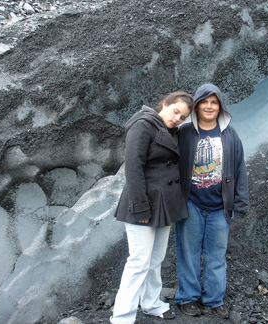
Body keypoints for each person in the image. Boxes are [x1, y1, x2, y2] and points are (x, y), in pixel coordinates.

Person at [110, 91, 194, 324]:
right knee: (138, 262)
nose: (178, 118)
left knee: (156, 259)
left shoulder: (171, 130)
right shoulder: (142, 124)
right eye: (176, 111)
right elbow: (133, 168)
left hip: (165, 204)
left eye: (183, 116)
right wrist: (140, 207)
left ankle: (151, 303)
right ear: (164, 104)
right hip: (144, 203)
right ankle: (122, 317)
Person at [174, 83, 249, 319]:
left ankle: (214, 299)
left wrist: (241, 203)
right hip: (191, 204)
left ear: (220, 106)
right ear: (196, 106)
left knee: (217, 254)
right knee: (188, 252)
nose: (209, 106)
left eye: (214, 102)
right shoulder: (184, 133)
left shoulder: (230, 135)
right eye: (204, 102)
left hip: (220, 207)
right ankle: (188, 296)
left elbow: (239, 170)